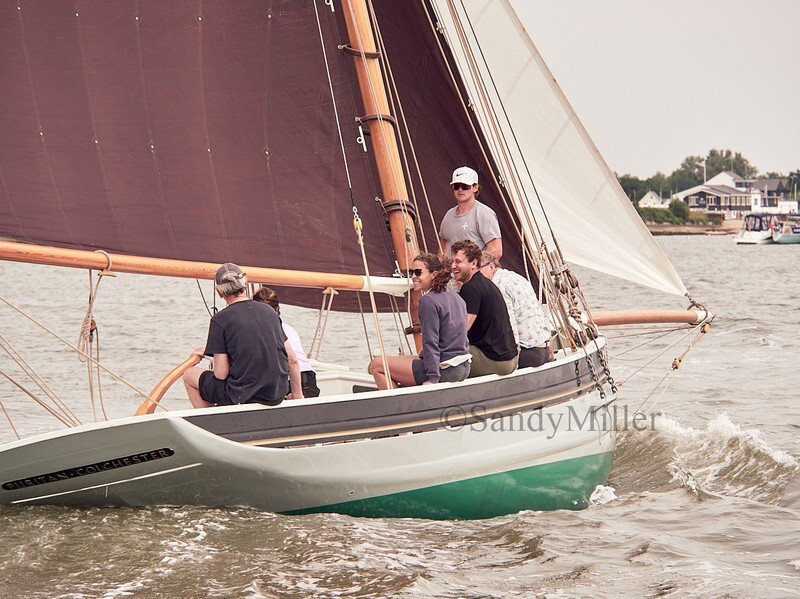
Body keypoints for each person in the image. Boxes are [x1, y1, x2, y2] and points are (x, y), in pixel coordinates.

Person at [183, 263, 293, 408]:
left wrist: (211, 354)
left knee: (189, 375)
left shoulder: (219, 320)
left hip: (244, 395)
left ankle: (210, 419)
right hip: (276, 393)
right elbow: (290, 357)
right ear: (245, 284)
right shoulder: (269, 311)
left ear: (219, 292)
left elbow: (221, 374)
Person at [369, 253, 471, 389]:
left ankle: (398, 402)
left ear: (434, 274)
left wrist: (433, 378)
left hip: (445, 369)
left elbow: (431, 341)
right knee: (409, 358)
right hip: (463, 366)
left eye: (418, 272)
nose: (413, 276)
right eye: (411, 272)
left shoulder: (428, 301)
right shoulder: (456, 297)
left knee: (377, 365)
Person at [450, 240, 517, 377]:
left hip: (495, 360)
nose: (453, 266)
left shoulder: (470, 288)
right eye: (452, 262)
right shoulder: (486, 283)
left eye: (458, 262)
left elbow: (461, 331)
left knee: (440, 359)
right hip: (509, 358)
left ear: (474, 263)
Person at [480, 252, 553, 368]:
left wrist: (513, 358)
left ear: (491, 267)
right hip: (543, 348)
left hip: (528, 352)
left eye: (478, 270)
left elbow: (508, 322)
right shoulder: (516, 277)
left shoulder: (497, 285)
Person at [253, 286, 320, 398]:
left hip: (292, 382)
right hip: (309, 379)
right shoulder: (288, 329)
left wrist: (297, 394)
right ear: (277, 310)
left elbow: (292, 360)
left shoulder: (265, 331)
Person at [438, 166, 503, 260]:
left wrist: (473, 266)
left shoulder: (484, 213)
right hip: (452, 269)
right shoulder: (448, 215)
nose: (460, 189)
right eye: (456, 186)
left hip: (477, 268)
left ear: (475, 188)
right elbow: (442, 252)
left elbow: (496, 251)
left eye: (465, 186)